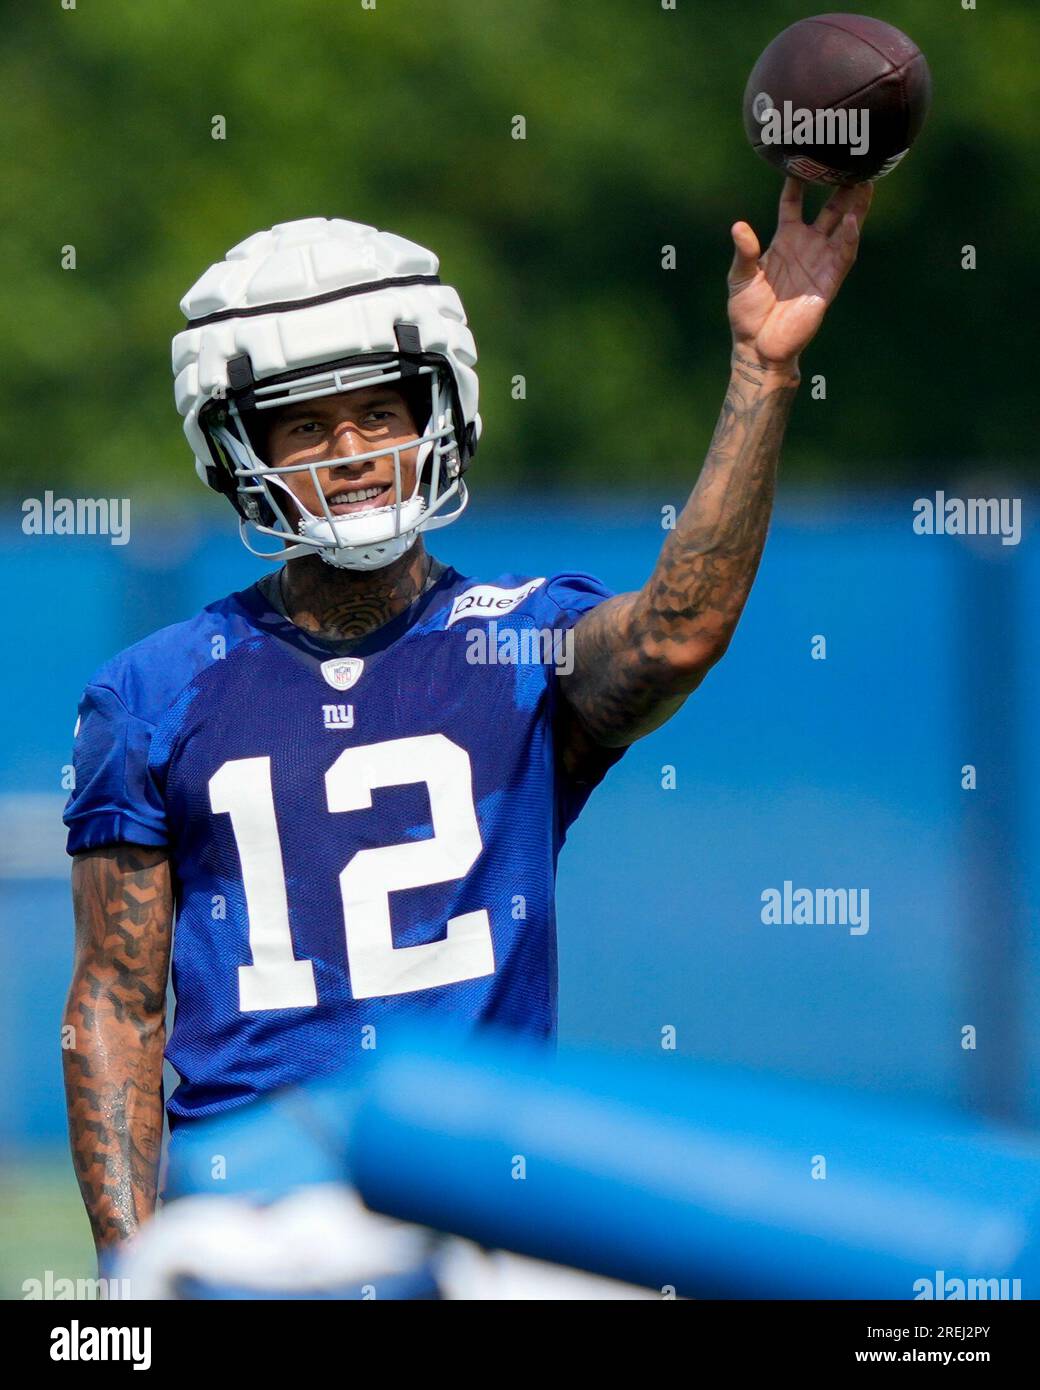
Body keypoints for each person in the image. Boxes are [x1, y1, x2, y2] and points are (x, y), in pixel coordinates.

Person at [62, 182, 872, 1263]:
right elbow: (117, 1002)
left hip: (480, 1203)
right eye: (304, 423)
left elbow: (677, 632)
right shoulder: (155, 689)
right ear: (236, 448)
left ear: (438, 414)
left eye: (378, 412)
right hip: (258, 1216)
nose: (347, 449)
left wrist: (761, 374)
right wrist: (131, 1271)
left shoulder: (518, 642)